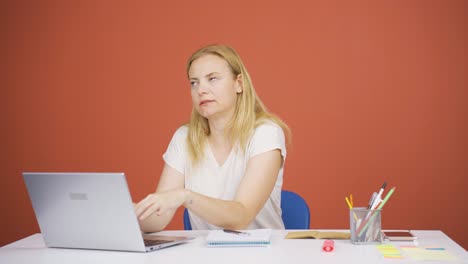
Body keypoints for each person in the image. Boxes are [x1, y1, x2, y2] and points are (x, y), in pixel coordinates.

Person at [135, 44, 291, 232]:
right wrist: (127, 213)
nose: (201, 90)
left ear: (239, 84)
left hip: (262, 255)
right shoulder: (183, 138)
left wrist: (185, 196)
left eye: (212, 79)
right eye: (194, 82)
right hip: (205, 255)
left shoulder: (265, 133)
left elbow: (241, 217)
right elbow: (157, 221)